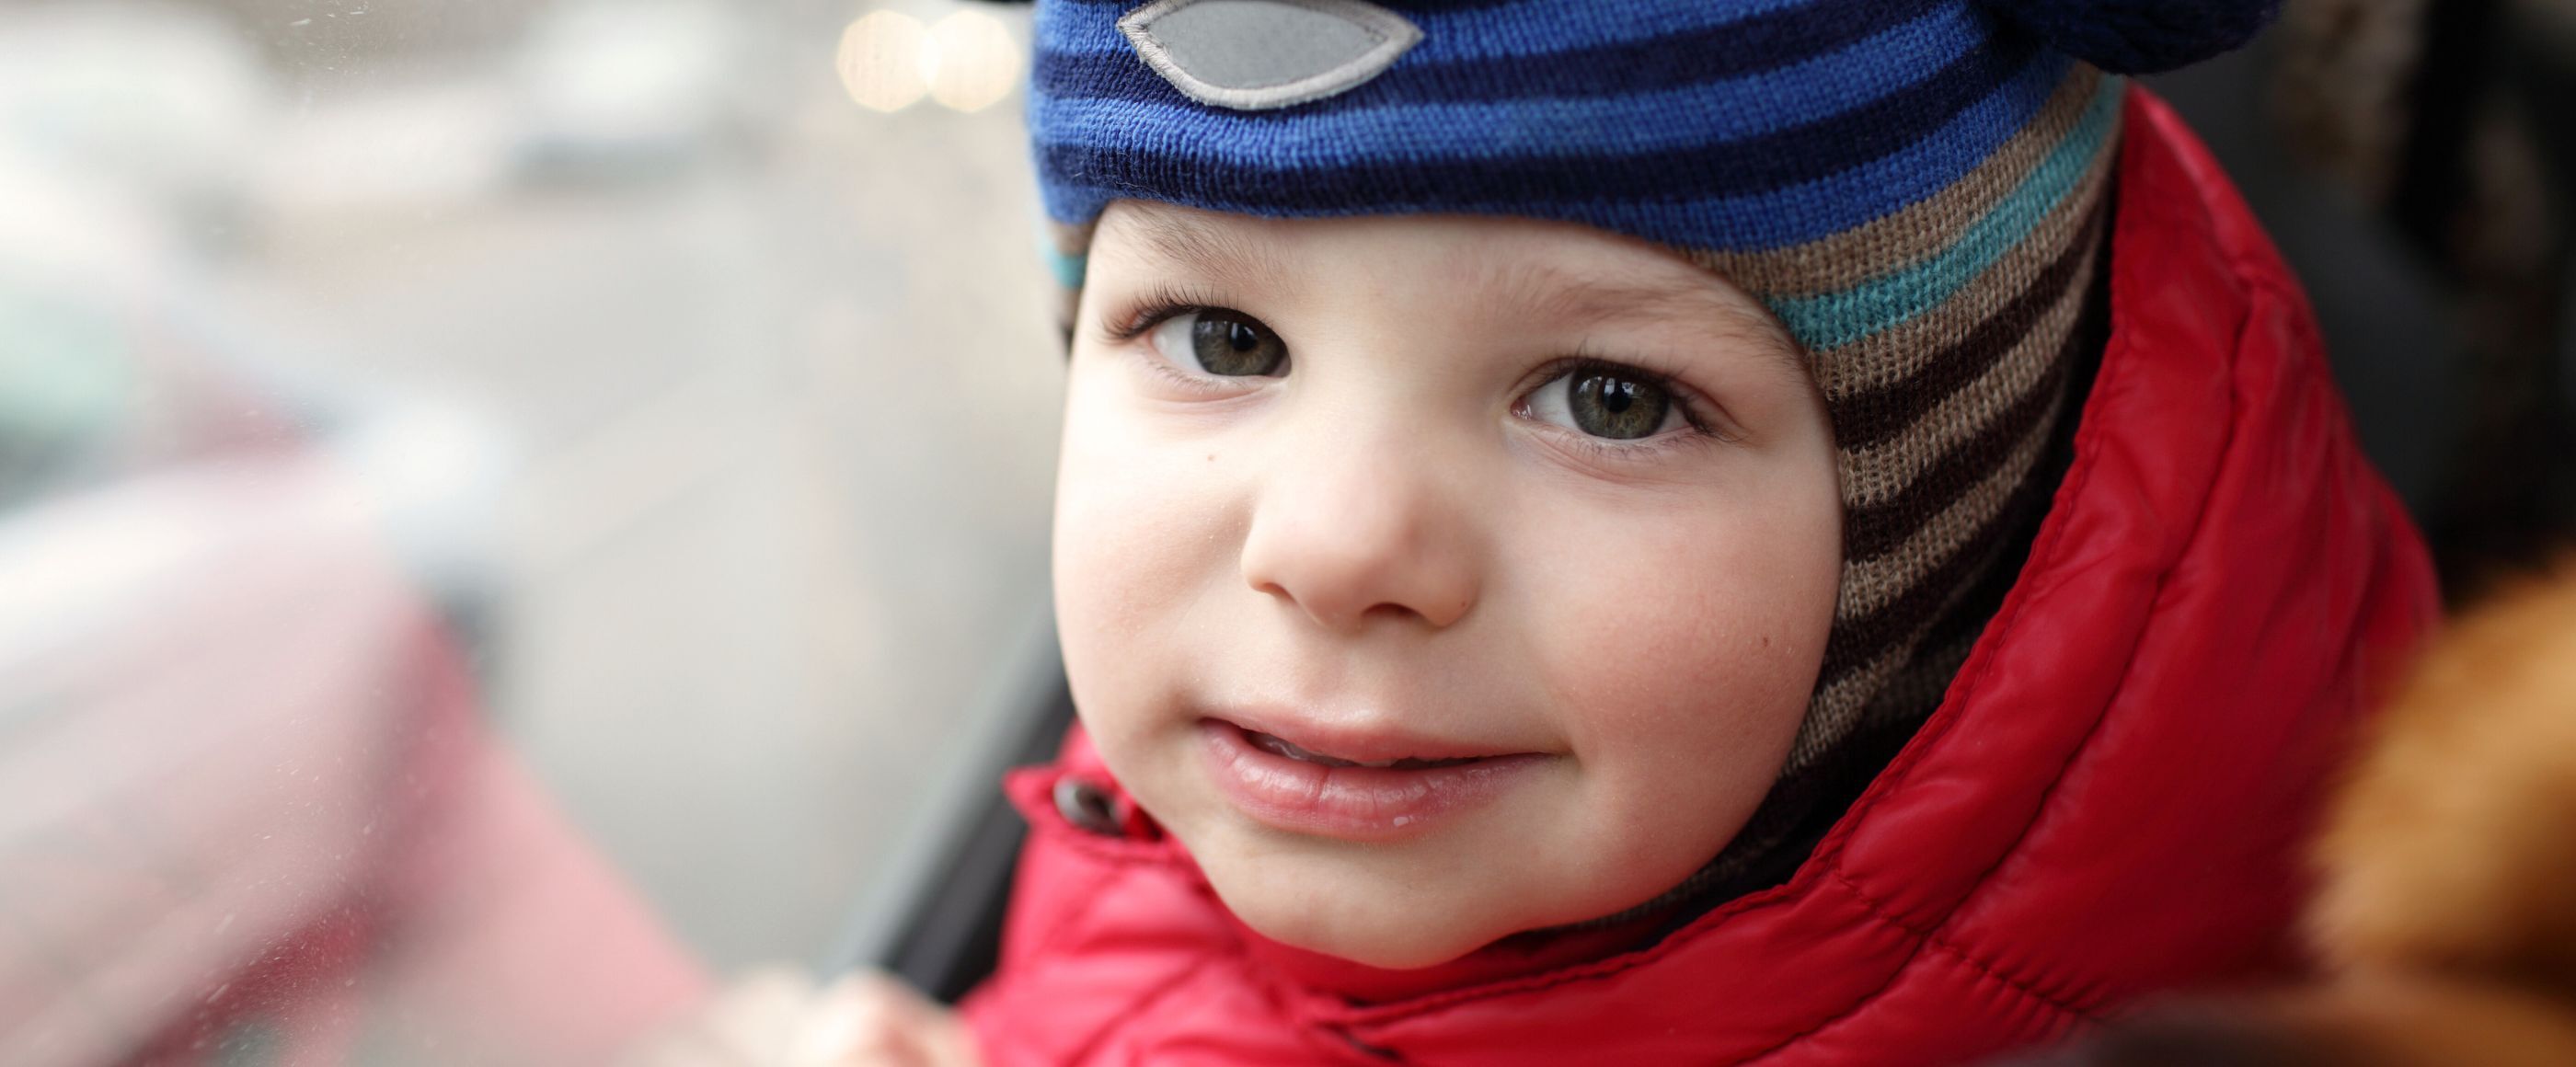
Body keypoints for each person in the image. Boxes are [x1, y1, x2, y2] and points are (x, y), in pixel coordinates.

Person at [651, 0, 2443, 1062]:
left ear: (1943, 518)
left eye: (1605, 396)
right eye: (1220, 341)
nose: (1335, 546)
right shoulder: (1239, 841)